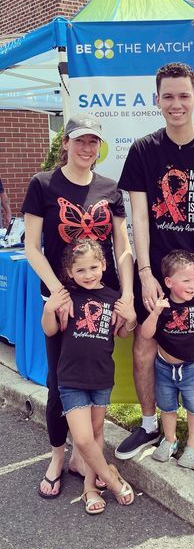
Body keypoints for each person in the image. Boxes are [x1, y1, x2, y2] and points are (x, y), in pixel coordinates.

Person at [116, 62, 194, 472]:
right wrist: (146, 273)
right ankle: (151, 425)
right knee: (144, 344)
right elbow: (138, 218)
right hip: (157, 273)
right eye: (167, 96)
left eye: (183, 95)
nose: (176, 103)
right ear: (157, 100)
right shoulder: (142, 151)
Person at [22, 113, 134, 499]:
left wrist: (129, 296)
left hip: (103, 297)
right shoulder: (43, 184)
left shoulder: (110, 188)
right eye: (80, 141)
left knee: (96, 372)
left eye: (93, 143)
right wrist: (57, 292)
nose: (87, 149)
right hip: (60, 298)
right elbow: (32, 248)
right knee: (59, 381)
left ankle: (84, 456)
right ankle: (57, 455)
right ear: (65, 143)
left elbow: (122, 247)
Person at [42, 240, 136, 514]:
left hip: (101, 377)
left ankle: (90, 488)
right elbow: (50, 331)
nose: (88, 274)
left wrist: (129, 318)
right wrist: (50, 308)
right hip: (71, 379)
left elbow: (122, 333)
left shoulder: (112, 297)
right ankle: (112, 480)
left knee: (96, 433)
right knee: (82, 439)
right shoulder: (67, 297)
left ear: (104, 266)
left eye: (93, 267)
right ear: (70, 272)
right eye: (80, 270)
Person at [140, 250, 194, 469]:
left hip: (192, 368)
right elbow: (147, 334)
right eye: (186, 280)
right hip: (164, 367)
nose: (193, 285)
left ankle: (193, 445)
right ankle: (170, 440)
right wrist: (155, 313)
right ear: (168, 281)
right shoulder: (163, 306)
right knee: (167, 407)